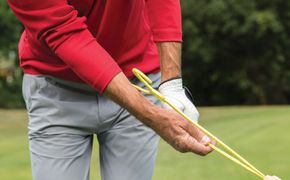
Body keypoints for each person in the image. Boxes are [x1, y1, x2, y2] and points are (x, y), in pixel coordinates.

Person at [7, 0, 214, 180]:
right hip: (56, 91)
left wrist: (172, 85)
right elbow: (65, 34)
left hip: (137, 79)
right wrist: (153, 116)